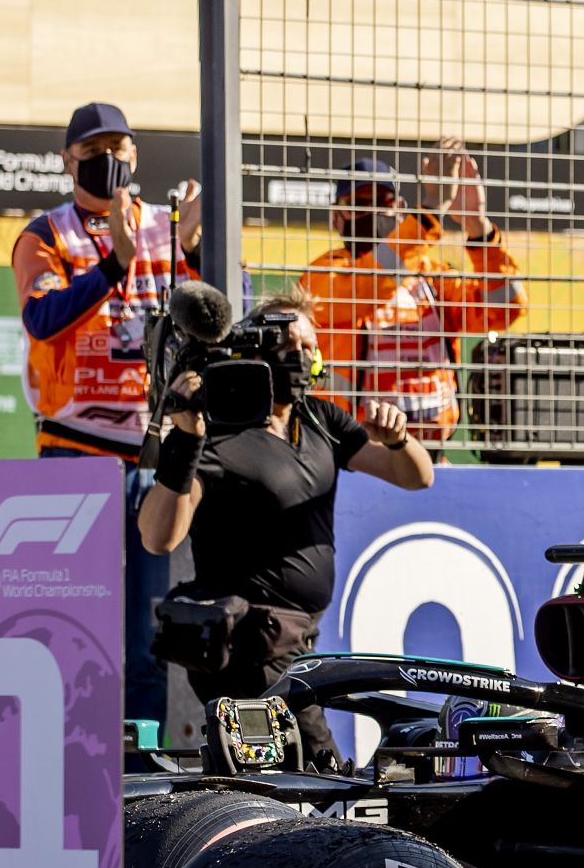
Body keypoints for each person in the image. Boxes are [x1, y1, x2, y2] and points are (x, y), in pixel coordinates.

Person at [136, 289, 434, 762]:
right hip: (249, 647)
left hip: (299, 643)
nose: (299, 353)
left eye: (309, 345)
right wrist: (187, 439)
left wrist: (399, 439)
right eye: (284, 341)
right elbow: (158, 536)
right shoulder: (217, 429)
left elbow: (416, 476)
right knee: (317, 773)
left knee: (288, 777)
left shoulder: (320, 418)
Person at [11, 102, 201, 730]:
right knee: (71, 632)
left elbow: (219, 314)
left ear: (136, 155)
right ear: (68, 162)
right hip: (72, 451)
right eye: (93, 152)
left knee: (148, 635)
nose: (108, 161)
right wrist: (113, 263)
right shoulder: (45, 233)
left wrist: (199, 249)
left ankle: (143, 769)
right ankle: (69, 760)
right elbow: (43, 319)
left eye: (118, 149)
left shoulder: (168, 228)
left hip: (149, 455)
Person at [298, 139, 527, 446]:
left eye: (384, 201)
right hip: (354, 452)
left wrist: (477, 226)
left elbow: (505, 307)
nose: (373, 210)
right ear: (336, 217)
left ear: (400, 210)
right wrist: (430, 211)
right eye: (360, 202)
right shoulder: (323, 276)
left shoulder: (432, 277)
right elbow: (370, 284)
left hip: (431, 451)